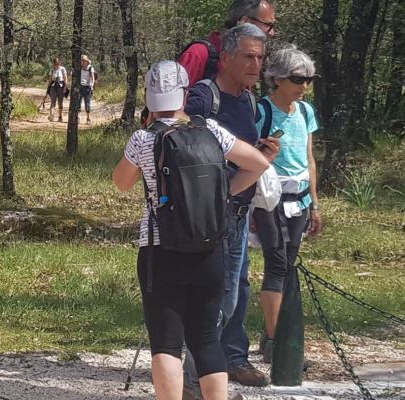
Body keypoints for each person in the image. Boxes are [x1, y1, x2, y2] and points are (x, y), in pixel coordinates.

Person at [114, 60, 275, 400]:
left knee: (167, 343)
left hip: (160, 252)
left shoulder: (143, 138)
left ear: (149, 97)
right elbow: (259, 163)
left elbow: (121, 183)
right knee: (206, 338)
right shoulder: (212, 131)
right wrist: (224, 192)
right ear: (185, 94)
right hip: (209, 248)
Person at [182, 23, 270, 389]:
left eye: (261, 58)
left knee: (228, 304)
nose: (256, 65)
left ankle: (202, 381)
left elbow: (243, 157)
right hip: (209, 218)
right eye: (248, 56)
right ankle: (192, 385)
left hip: (238, 216)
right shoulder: (204, 98)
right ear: (227, 58)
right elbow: (184, 146)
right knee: (210, 304)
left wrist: (261, 154)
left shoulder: (249, 100)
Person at [251, 46, 323, 356]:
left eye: (309, 79)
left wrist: (315, 205)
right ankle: (277, 340)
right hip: (269, 197)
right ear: (277, 78)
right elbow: (247, 154)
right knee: (277, 264)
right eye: (297, 79)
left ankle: (273, 336)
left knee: (288, 264)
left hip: (300, 199)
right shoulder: (261, 111)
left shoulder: (306, 112)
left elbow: (310, 159)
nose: (304, 86)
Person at [177, 0, 277, 84]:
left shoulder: (248, 59)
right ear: (246, 22)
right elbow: (177, 104)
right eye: (268, 25)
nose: (272, 33)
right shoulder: (198, 54)